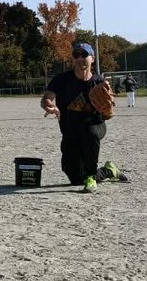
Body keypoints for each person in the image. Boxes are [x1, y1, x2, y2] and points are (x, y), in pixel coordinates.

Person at [40, 42, 119, 192]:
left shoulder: (99, 83)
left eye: (84, 55)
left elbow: (107, 115)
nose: (80, 58)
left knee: (89, 132)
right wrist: (49, 105)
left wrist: (107, 109)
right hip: (70, 131)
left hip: (95, 126)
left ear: (92, 58)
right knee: (75, 177)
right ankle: (109, 171)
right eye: (76, 55)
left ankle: (91, 177)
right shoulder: (62, 79)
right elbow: (46, 98)